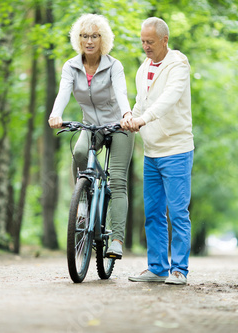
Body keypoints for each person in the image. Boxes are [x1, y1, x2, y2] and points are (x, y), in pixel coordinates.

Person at [49, 14, 135, 258]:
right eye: (84, 36)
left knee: (117, 181)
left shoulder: (113, 65)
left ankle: (117, 240)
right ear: (79, 40)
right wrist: (56, 114)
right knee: (78, 153)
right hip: (90, 125)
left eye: (94, 36)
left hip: (119, 125)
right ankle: (86, 199)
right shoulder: (71, 66)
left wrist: (127, 114)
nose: (89, 41)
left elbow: (121, 92)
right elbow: (63, 92)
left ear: (103, 39)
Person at [121, 17, 194, 284]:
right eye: (142, 41)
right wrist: (130, 117)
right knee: (153, 213)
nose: (145, 47)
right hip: (151, 152)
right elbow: (142, 103)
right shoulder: (144, 69)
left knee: (177, 212)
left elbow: (168, 99)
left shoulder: (178, 65)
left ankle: (179, 270)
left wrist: (143, 119)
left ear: (164, 40)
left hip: (176, 149)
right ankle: (157, 267)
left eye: (150, 42)